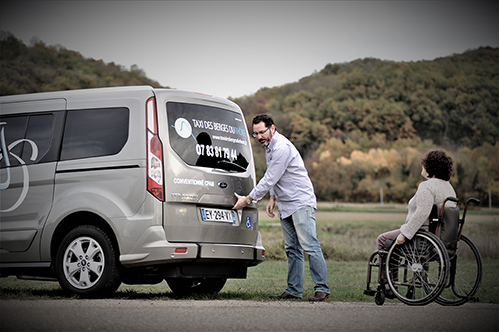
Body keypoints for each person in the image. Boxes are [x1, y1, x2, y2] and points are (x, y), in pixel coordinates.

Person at [232, 114, 330, 302]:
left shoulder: (281, 148)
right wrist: (272, 198)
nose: (259, 136)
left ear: (273, 128)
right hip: (286, 203)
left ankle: (322, 288)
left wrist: (249, 199)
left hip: (300, 201)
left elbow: (269, 178)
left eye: (262, 132)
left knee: (309, 244)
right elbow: (276, 177)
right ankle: (294, 290)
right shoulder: (269, 147)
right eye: (256, 134)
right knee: (292, 248)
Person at [377, 149, 457, 295]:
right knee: (391, 240)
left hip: (421, 237)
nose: (422, 168)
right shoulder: (448, 187)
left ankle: (389, 284)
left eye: (424, 165)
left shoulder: (426, 186)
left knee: (383, 240)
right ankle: (393, 282)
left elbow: (422, 213)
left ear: (429, 168)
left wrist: (405, 234)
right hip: (442, 238)